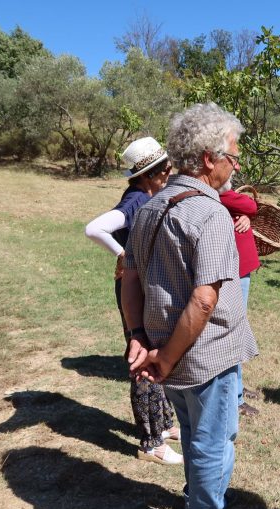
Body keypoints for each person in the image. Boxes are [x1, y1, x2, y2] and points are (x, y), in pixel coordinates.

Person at [121, 103, 260, 509]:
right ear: (207, 158)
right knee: (212, 441)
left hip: (169, 351)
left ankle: (199, 501)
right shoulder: (210, 213)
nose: (235, 165)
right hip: (203, 355)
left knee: (194, 432)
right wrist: (167, 355)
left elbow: (131, 277)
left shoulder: (150, 207)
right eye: (233, 157)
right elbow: (204, 299)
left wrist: (139, 336)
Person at [84, 136, 182, 465]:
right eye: (162, 168)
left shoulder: (148, 195)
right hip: (134, 293)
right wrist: (123, 254)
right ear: (147, 174)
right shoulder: (136, 200)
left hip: (147, 289)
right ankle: (150, 443)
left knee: (157, 351)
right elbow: (94, 228)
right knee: (141, 359)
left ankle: (164, 425)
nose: (169, 172)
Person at [219, 185, 261, 416]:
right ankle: (235, 397)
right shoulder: (221, 194)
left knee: (237, 329)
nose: (236, 167)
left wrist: (243, 216)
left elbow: (247, 209)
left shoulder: (227, 199)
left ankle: (237, 387)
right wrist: (245, 211)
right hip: (233, 273)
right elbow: (251, 205)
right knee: (234, 332)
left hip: (239, 272)